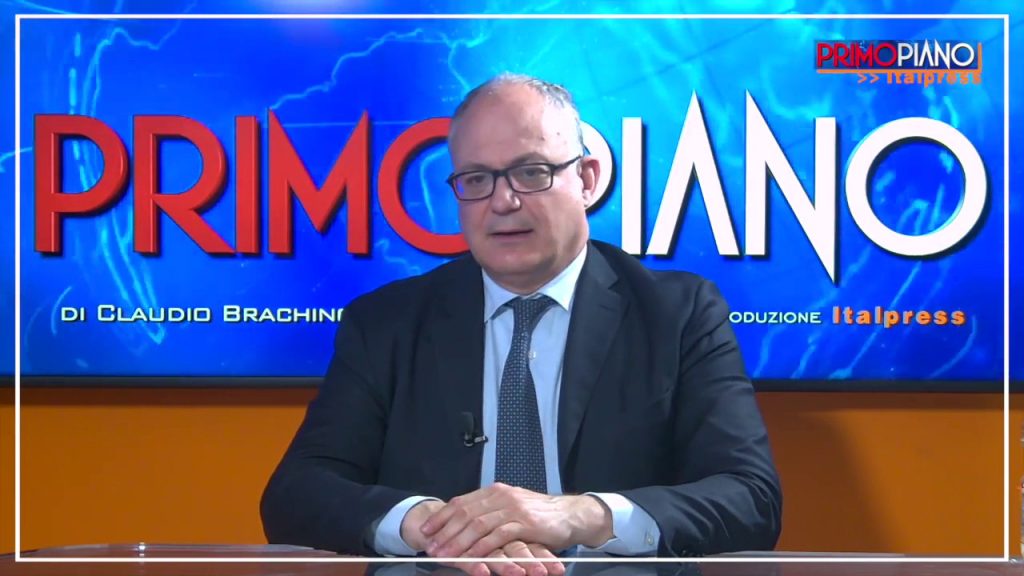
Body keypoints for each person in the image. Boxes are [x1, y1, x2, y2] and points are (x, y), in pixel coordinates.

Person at [261, 74, 782, 573]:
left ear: (586, 179)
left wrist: (581, 515)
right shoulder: (386, 323)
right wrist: (428, 525)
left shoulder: (679, 313)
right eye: (476, 179)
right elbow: (296, 494)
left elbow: (751, 499)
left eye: (531, 172)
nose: (503, 202)